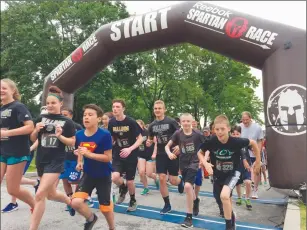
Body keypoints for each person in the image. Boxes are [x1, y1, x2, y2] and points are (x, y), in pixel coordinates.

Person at [198, 115, 261, 230]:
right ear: (214, 130)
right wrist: (205, 163)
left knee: (225, 196)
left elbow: (253, 143)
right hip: (218, 174)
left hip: (234, 172)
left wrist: (258, 160)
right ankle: (231, 216)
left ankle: (229, 226)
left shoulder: (236, 141)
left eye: (222, 129)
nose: (220, 132)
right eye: (217, 129)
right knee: (219, 198)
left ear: (228, 129)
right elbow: (200, 152)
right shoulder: (212, 141)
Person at [29, 86, 76, 230]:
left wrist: (60, 136)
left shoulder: (67, 122)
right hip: (41, 160)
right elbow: (32, 138)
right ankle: (70, 202)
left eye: (53, 103)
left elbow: (72, 142)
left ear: (61, 104)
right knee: (51, 194)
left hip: (56, 160)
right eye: (48, 103)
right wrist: (36, 130)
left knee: (39, 194)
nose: (50, 105)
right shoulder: (41, 118)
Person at [71, 104, 115, 230]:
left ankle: (112, 228)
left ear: (99, 119)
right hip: (88, 174)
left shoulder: (105, 135)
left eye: (90, 115)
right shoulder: (79, 134)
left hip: (103, 175)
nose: (86, 117)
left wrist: (89, 154)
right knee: (75, 202)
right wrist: (80, 161)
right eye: (85, 115)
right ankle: (91, 218)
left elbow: (108, 158)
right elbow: (81, 151)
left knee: (105, 208)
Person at [0, 78, 35, 214]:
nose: (1, 90)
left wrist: (8, 133)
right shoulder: (1, 109)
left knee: (12, 189)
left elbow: (30, 127)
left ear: (13, 90)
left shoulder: (18, 107)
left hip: (17, 152)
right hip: (3, 151)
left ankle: (35, 205)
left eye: (4, 88)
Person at [165, 113, 205, 228]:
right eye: (184, 121)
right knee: (188, 186)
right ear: (180, 123)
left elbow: (207, 147)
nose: (186, 123)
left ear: (192, 122)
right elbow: (167, 146)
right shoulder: (178, 133)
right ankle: (196, 200)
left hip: (195, 162)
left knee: (187, 186)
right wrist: (169, 153)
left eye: (188, 121)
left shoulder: (198, 134)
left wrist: (204, 160)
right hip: (183, 164)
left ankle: (188, 217)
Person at [146, 100, 183, 214]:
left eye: (159, 108)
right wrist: (149, 142)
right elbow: (150, 139)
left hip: (172, 153)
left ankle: (180, 180)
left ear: (164, 109)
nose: (157, 110)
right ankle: (167, 204)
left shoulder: (171, 121)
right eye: (155, 108)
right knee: (161, 178)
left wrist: (180, 147)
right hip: (161, 154)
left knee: (173, 181)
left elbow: (181, 135)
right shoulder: (152, 125)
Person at [108, 99, 143, 212]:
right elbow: (112, 138)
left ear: (123, 108)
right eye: (113, 107)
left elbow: (140, 139)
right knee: (114, 177)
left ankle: (132, 200)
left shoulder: (131, 122)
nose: (115, 109)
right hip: (117, 154)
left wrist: (130, 149)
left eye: (118, 107)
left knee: (130, 181)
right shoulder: (112, 122)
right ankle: (123, 188)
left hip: (131, 154)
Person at [58, 107, 83, 210]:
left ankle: (82, 193)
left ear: (71, 116)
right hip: (63, 158)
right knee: (64, 180)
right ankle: (70, 200)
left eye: (66, 115)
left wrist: (80, 159)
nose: (63, 117)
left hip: (74, 157)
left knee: (74, 180)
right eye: (62, 115)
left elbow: (82, 143)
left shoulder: (77, 127)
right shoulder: (58, 127)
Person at [240, 111, 263, 199]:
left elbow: (260, 140)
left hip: (254, 153)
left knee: (256, 171)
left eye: (247, 119)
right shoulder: (240, 126)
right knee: (247, 171)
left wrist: (258, 153)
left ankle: (255, 190)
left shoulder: (257, 128)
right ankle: (248, 189)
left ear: (250, 118)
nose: (245, 121)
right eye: (243, 120)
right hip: (244, 153)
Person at [231, 125, 253, 210]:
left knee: (248, 182)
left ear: (240, 134)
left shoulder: (244, 141)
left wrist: (258, 159)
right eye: (233, 134)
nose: (236, 136)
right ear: (230, 134)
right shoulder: (230, 144)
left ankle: (247, 199)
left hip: (246, 166)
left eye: (237, 134)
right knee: (238, 184)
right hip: (236, 167)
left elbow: (253, 146)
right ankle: (239, 197)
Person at [136, 119, 159, 195]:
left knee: (149, 174)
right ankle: (146, 188)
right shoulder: (134, 134)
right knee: (141, 172)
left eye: (139, 125)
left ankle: (156, 178)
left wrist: (151, 143)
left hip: (149, 155)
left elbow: (156, 142)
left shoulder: (148, 132)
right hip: (141, 155)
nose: (137, 127)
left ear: (142, 125)